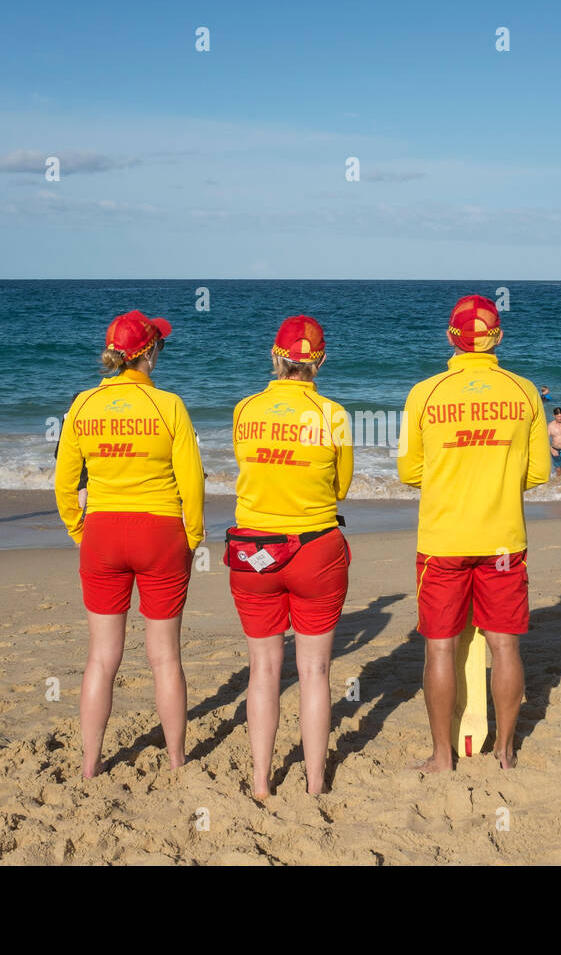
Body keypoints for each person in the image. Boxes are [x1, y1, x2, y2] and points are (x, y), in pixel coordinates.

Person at [397, 295, 549, 772]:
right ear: (497, 338)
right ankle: (505, 752)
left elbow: (409, 471)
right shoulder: (524, 392)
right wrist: (497, 479)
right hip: (503, 539)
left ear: (450, 338)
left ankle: (443, 756)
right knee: (504, 644)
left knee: (440, 645)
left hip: (443, 539)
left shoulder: (425, 393)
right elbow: (540, 472)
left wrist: (452, 476)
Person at [54, 311, 204, 779]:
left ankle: (90, 763)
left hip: (102, 533)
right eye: (160, 345)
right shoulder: (169, 405)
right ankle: (177, 759)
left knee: (101, 657)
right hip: (159, 534)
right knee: (164, 656)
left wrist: (81, 530)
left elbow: (62, 483)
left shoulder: (82, 404)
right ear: (148, 353)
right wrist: (192, 537)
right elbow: (192, 483)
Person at [228, 316, 353, 800]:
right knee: (315, 672)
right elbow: (340, 487)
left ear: (274, 357)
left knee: (262, 668)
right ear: (319, 361)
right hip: (315, 546)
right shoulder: (333, 415)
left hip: (253, 549)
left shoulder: (245, 409)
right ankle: (315, 782)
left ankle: (261, 782)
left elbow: (250, 468)